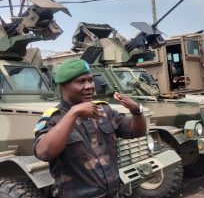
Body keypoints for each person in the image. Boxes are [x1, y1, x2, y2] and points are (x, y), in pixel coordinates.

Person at [33, 59, 147, 198]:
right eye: (81, 82)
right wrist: (74, 112)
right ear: (64, 86)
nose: (89, 86)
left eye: (90, 80)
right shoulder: (54, 119)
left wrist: (137, 110)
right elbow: (44, 152)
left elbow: (137, 131)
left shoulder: (103, 110)